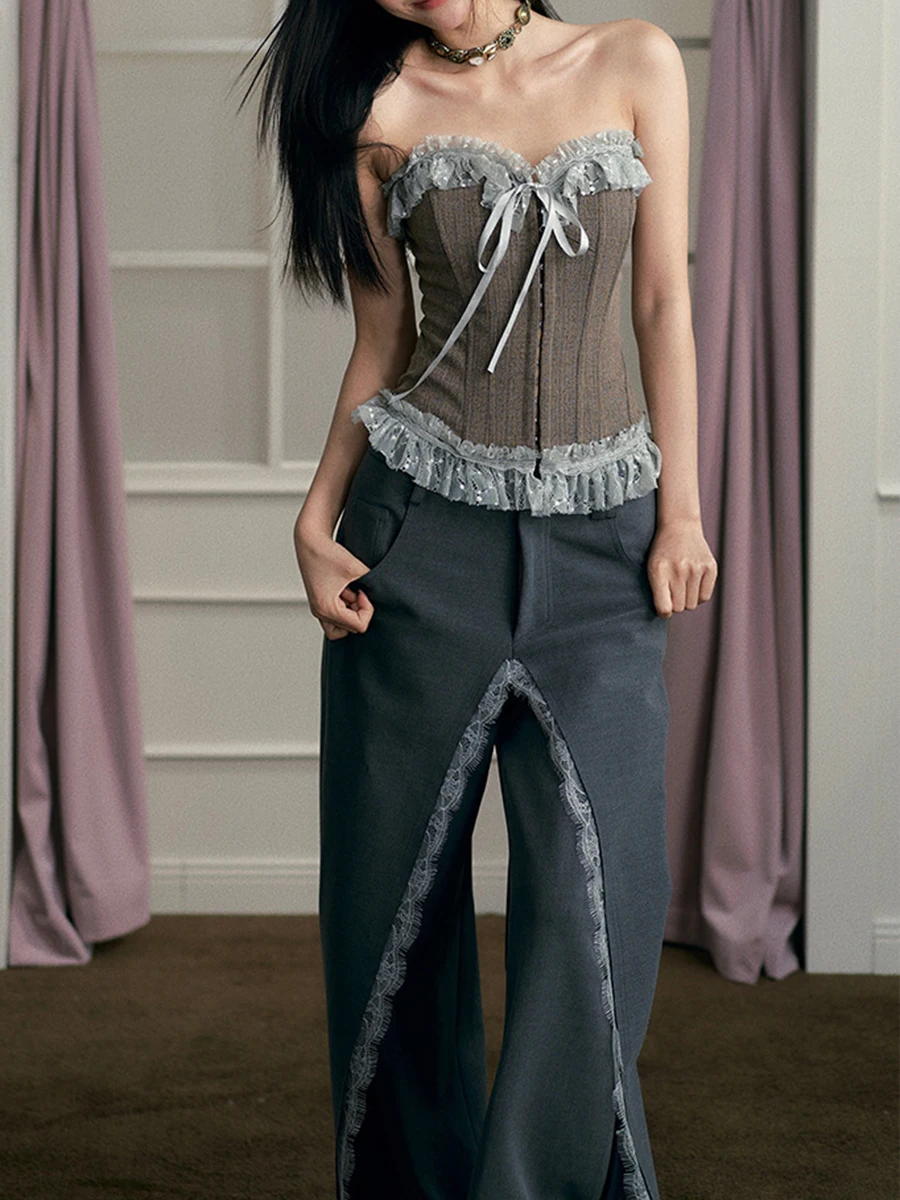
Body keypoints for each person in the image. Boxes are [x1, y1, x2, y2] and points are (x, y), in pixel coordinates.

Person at [245, 2, 717, 1196]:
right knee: (391, 904)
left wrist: (682, 513)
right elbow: (385, 339)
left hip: (606, 549)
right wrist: (315, 517)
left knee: (595, 902)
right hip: (419, 536)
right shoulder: (377, 110)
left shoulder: (635, 59)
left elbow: (663, 303)